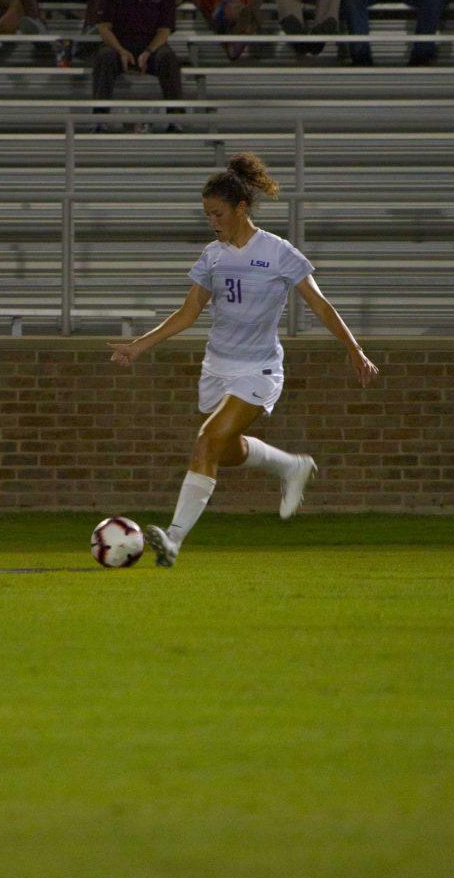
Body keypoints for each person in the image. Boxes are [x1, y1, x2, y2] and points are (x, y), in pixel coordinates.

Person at [109, 152, 380, 567]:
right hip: (217, 366)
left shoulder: (277, 252)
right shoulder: (213, 256)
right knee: (224, 449)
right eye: (206, 215)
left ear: (241, 208)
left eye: (218, 213)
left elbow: (321, 305)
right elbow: (189, 312)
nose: (212, 221)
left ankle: (175, 538)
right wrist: (139, 345)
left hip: (259, 368)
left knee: (206, 441)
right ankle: (291, 467)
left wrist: (354, 348)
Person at [93, 0, 182, 122]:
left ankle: (176, 119)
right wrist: (120, 50)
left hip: (152, 47)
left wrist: (149, 51)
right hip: (120, 46)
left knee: (167, 57)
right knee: (104, 57)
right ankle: (100, 120)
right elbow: (103, 27)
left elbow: (165, 29)